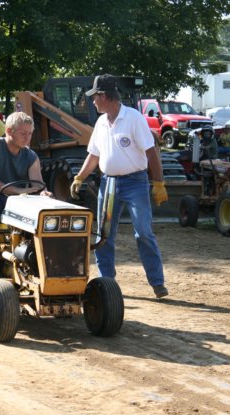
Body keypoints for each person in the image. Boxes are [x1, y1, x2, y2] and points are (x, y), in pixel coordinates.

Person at [69, 74, 169, 299]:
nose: (93, 102)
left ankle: (157, 282)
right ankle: (107, 283)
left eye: (94, 97)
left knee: (143, 231)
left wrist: (158, 182)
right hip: (109, 183)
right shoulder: (101, 123)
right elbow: (93, 155)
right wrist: (80, 177)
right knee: (104, 235)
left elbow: (151, 151)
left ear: (104, 96)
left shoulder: (133, 118)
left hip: (136, 182)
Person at [0, 112, 53, 279]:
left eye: (30, 134)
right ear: (9, 130)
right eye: (23, 133)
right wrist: (14, 191)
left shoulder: (30, 156)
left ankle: (38, 259)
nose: (27, 138)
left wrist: (43, 193)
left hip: (15, 198)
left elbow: (37, 184)